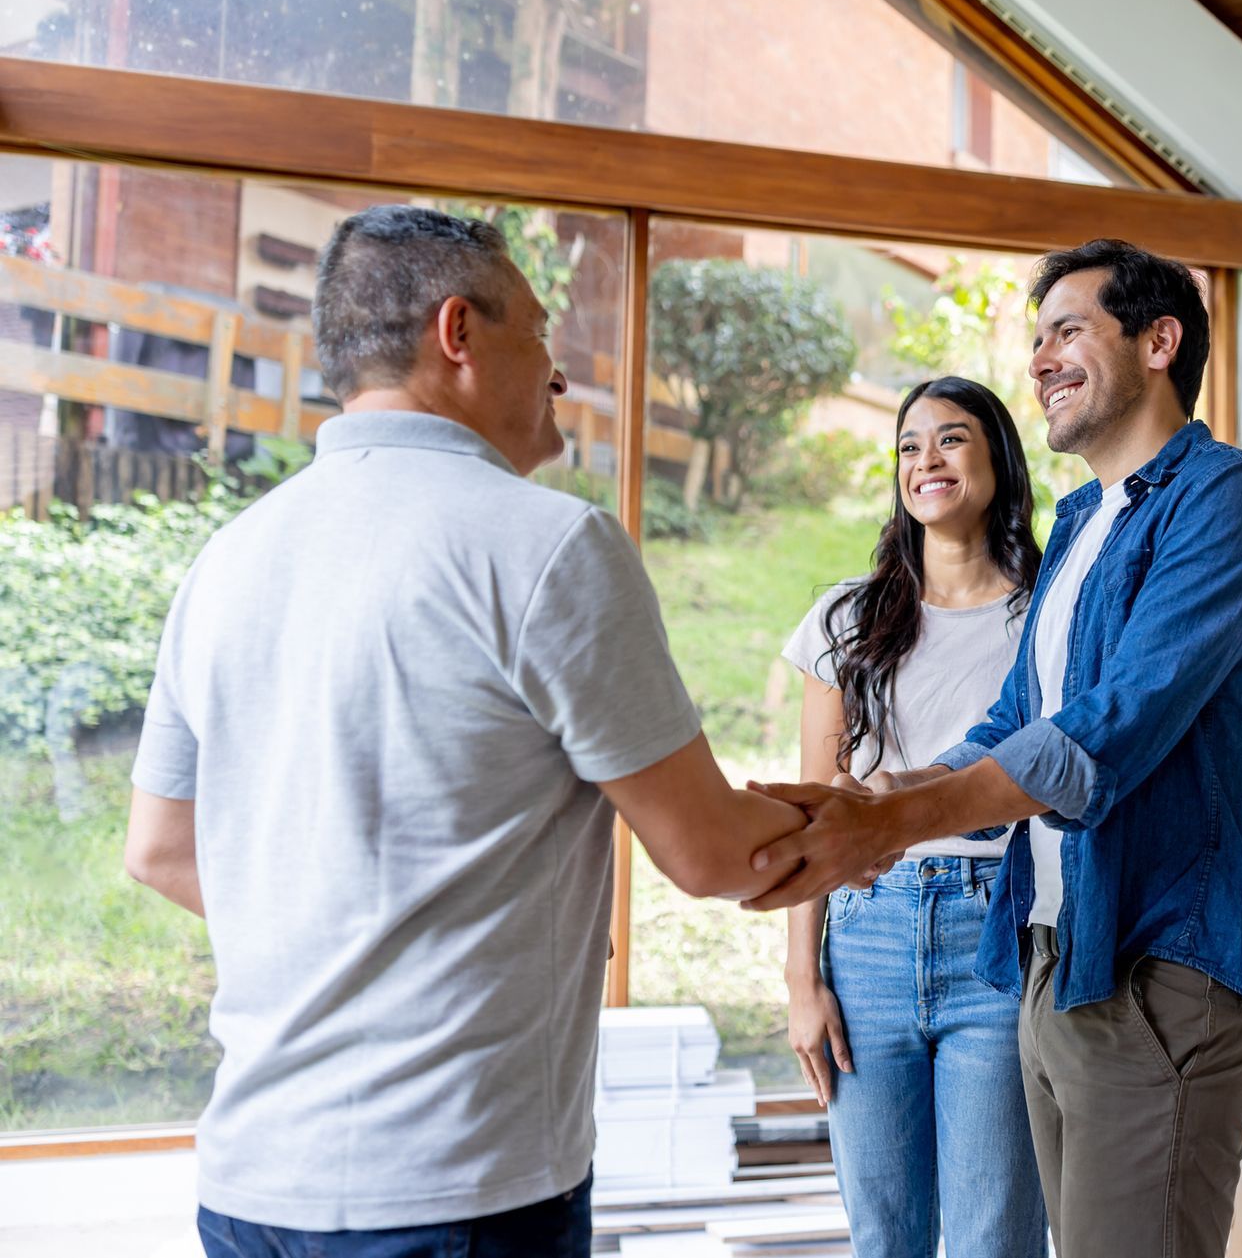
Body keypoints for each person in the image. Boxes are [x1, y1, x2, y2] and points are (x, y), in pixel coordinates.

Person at [122, 205, 842, 1258]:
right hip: (454, 1190)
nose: (559, 374)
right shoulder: (547, 545)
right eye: (541, 335)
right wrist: (908, 814)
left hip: (250, 1186)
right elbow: (714, 853)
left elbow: (159, 849)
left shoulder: (227, 558)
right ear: (457, 332)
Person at [745, 239, 1242, 1258]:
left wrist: (897, 818)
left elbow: (1110, 730)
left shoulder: (1230, 500)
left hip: (1165, 962)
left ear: (1158, 341)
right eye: (1036, 338)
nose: (1041, 358)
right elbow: (1013, 717)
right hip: (1060, 951)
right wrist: (889, 794)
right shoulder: (1087, 522)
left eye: (1067, 330)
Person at [781, 376, 1048, 1258]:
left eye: (952, 439)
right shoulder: (845, 618)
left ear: (999, 462)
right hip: (865, 939)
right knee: (885, 1236)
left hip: (998, 938)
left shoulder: (1044, 617)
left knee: (994, 1236)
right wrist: (800, 979)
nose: (925, 460)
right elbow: (814, 813)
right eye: (909, 445)